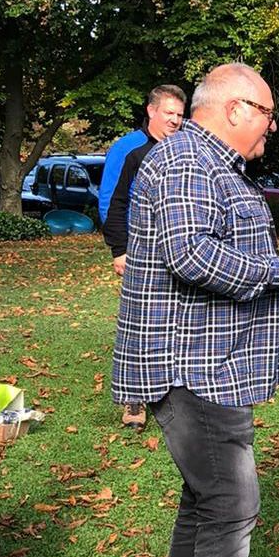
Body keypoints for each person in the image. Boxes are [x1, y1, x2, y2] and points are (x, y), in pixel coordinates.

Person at [111, 63, 279, 557]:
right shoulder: (186, 162)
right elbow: (191, 256)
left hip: (213, 363)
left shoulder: (209, 164)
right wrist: (278, 271)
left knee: (203, 503)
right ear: (235, 108)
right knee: (229, 505)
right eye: (267, 113)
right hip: (193, 367)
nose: (271, 127)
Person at [101, 84, 187, 429]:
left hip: (177, 250)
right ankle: (134, 399)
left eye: (180, 115)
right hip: (139, 253)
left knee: (174, 322)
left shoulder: (184, 150)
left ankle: (174, 390)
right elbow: (113, 201)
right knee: (138, 327)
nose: (175, 120)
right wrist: (119, 249)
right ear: (152, 111)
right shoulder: (131, 152)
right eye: (169, 113)